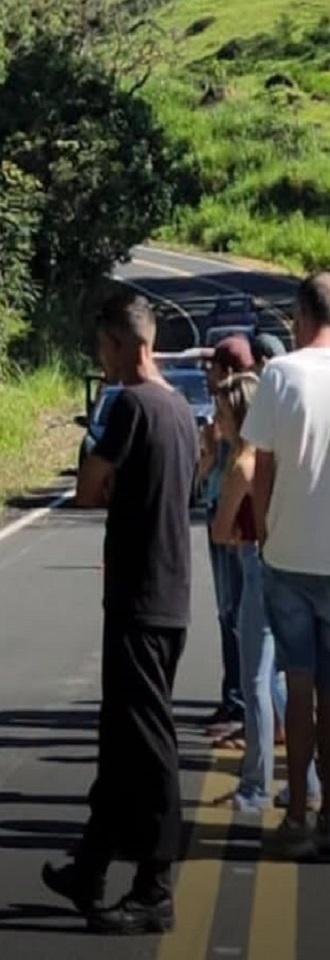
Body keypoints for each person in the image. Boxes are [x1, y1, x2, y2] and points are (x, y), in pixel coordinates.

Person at [43, 293, 197, 934]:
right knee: (120, 737)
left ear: (124, 345)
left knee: (149, 744)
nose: (100, 362)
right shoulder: (182, 408)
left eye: (103, 349)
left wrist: (99, 430)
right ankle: (93, 860)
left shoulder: (129, 404)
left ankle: (155, 886)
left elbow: (87, 489)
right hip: (168, 591)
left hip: (140, 596)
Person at [242, 272, 330, 859]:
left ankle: (297, 811)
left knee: (297, 690)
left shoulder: (279, 374)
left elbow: (260, 467)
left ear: (299, 317)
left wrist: (264, 526)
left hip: (289, 555)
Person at [210, 373, 277, 811]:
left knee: (254, 678)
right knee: (282, 678)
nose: (217, 422)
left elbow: (219, 530)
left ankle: (256, 784)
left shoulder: (240, 467)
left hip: (252, 564)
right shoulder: (275, 460)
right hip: (283, 563)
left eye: (222, 414)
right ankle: (307, 780)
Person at [199, 336, 255, 742]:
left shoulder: (236, 427)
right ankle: (235, 699)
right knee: (229, 613)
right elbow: (200, 478)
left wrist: (212, 448)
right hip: (223, 512)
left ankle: (241, 705)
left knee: (234, 613)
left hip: (234, 524)